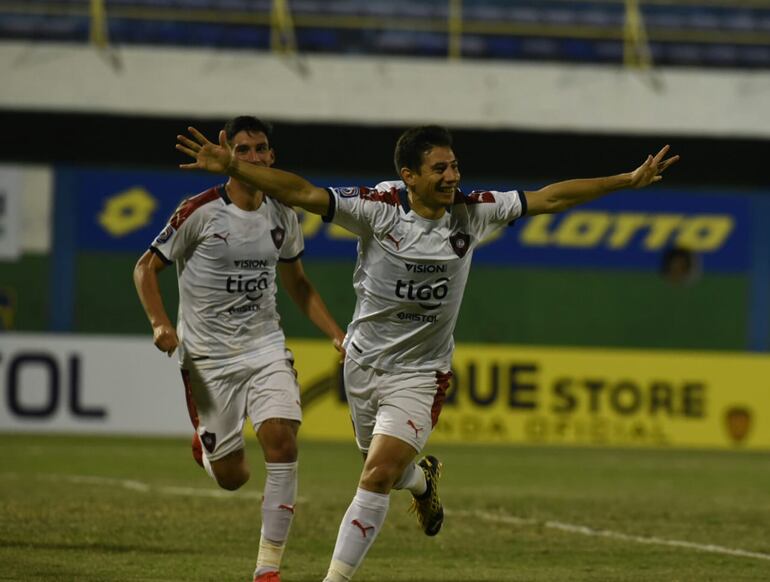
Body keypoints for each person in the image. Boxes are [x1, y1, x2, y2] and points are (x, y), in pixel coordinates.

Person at [175, 124, 679, 582]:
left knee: (374, 475)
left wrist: (626, 180)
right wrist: (236, 167)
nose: (452, 176)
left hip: (421, 373)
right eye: (439, 168)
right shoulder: (377, 208)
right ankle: (422, 480)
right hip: (364, 365)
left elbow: (550, 198)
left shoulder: (473, 211)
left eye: (454, 166)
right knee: (387, 471)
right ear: (408, 176)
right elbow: (304, 193)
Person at [134, 116, 346, 582]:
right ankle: (207, 449)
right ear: (230, 153)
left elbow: (299, 284)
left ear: (272, 157)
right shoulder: (200, 210)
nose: (254, 157)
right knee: (233, 477)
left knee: (281, 438)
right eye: (244, 149)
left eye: (261, 149)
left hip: (264, 347)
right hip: (208, 360)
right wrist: (159, 323)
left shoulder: (284, 214)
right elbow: (145, 269)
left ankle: (267, 569)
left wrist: (336, 333)